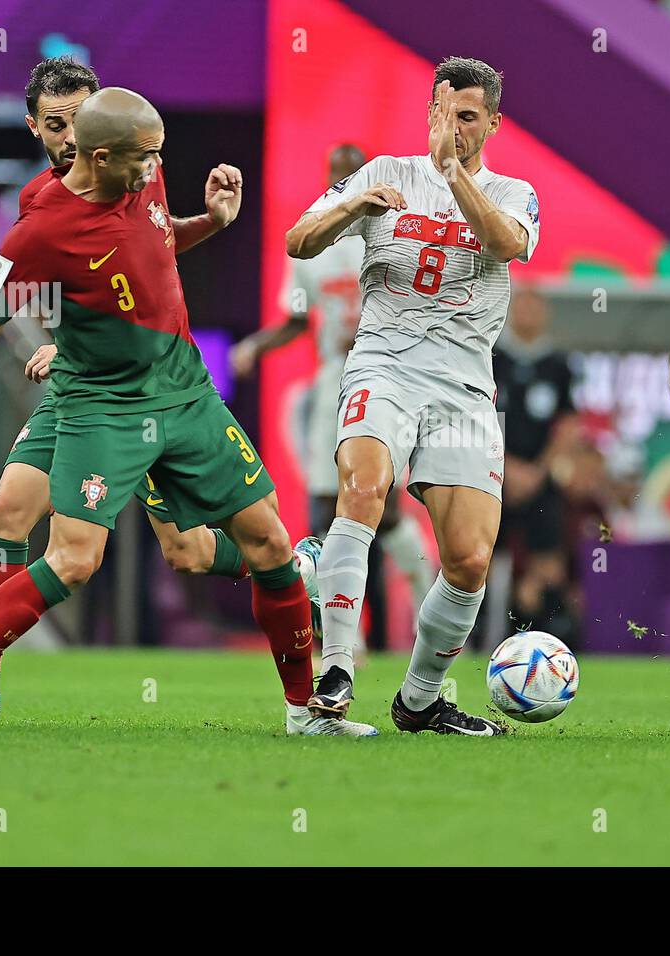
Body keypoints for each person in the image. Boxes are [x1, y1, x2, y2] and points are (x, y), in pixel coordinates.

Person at [0, 87, 373, 737]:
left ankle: (305, 714)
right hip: (105, 407)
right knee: (72, 559)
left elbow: (156, 247)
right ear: (104, 156)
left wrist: (215, 221)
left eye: (158, 156)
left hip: (186, 392)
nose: (155, 169)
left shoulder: (145, 169)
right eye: (145, 159)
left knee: (268, 543)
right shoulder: (40, 229)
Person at [285, 56, 539, 735]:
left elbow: (505, 243)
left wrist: (456, 177)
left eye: (468, 118)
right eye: (444, 113)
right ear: (429, 111)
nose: (453, 128)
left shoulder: (514, 192)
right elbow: (297, 242)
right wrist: (349, 209)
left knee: (468, 560)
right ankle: (337, 669)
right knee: (363, 492)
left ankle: (421, 699)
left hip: (461, 387)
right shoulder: (383, 174)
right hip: (384, 367)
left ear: (491, 123)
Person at [234, 144, 433, 640]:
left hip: (389, 379)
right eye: (334, 178)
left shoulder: (393, 229)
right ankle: (346, 635)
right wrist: (257, 346)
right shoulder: (315, 245)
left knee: (380, 508)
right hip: (333, 383)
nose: (341, 186)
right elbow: (299, 318)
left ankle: (428, 597)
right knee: (327, 508)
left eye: (350, 176)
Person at [493, 285, 580, 646]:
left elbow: (568, 424)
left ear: (544, 313)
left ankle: (543, 640)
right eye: (522, 306)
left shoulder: (559, 364)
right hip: (494, 474)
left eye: (534, 307)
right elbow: (478, 415)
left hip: (540, 479)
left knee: (548, 563)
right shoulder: (493, 357)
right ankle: (474, 636)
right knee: (475, 558)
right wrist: (508, 465)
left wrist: (539, 470)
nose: (528, 314)